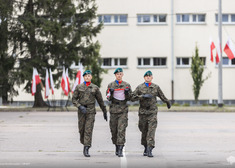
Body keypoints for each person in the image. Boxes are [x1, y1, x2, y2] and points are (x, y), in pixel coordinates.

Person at [131, 70, 171, 157]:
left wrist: (167, 102)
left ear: (152, 77)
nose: (148, 77)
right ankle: (145, 146)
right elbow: (132, 97)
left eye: (149, 76)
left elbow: (161, 95)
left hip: (152, 112)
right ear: (144, 78)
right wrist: (142, 96)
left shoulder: (156, 87)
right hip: (143, 112)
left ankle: (150, 149)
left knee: (151, 130)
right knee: (143, 129)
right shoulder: (140, 87)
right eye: (146, 76)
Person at [72, 70, 107, 157]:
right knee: (82, 130)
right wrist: (80, 106)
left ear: (91, 77)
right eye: (85, 76)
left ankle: (86, 148)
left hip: (91, 111)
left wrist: (104, 111)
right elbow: (74, 99)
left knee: (88, 129)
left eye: (89, 76)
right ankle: (84, 142)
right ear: (83, 77)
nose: (87, 77)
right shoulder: (79, 87)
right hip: (81, 111)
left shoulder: (95, 88)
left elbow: (100, 100)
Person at [106, 68, 132, 157]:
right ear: (115, 75)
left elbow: (130, 98)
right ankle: (116, 146)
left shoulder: (127, 85)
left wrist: (127, 93)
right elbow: (108, 97)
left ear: (122, 75)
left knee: (121, 129)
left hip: (123, 110)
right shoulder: (111, 85)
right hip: (113, 110)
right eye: (117, 74)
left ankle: (120, 148)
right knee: (114, 130)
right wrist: (111, 93)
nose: (119, 75)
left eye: (120, 74)